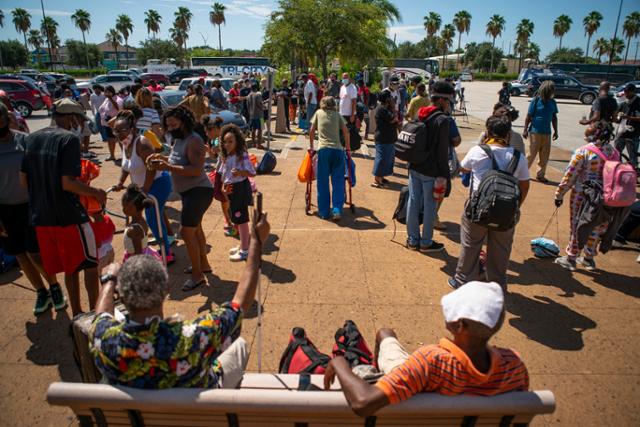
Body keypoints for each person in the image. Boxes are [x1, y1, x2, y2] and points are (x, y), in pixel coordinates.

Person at [89, 208, 270, 389]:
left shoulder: (106, 339)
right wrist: (255, 242)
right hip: (202, 410)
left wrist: (109, 281)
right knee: (239, 345)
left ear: (121, 295)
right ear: (165, 290)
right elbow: (240, 304)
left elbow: (101, 315)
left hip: (136, 415)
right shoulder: (193, 337)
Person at [323, 281, 529, 417]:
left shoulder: (431, 361)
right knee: (386, 336)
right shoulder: (514, 366)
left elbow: (363, 403)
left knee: (385, 334)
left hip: (418, 380)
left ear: (458, 326)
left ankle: (380, 374)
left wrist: (340, 363)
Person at [21, 99, 107, 316]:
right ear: (70, 117)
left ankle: (77, 313)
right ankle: (95, 312)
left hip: (42, 216)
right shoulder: (68, 140)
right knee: (88, 262)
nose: (78, 124)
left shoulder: (31, 138)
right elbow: (68, 182)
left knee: (70, 267)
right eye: (78, 119)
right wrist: (96, 194)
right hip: (69, 215)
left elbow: (24, 181)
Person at [450, 116, 530, 290]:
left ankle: (462, 280)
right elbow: (524, 186)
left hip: (477, 210)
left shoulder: (478, 151)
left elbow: (463, 168)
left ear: (487, 132)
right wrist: (515, 208)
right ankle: (497, 285)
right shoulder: (519, 157)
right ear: (508, 134)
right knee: (501, 251)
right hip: (506, 212)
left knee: (471, 245)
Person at [0, 103, 65, 315]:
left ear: (6, 119)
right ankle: (41, 292)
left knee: (36, 253)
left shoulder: (25, 141)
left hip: (31, 206)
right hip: (5, 210)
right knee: (19, 255)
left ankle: (54, 286)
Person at [147, 106, 214, 291]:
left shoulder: (194, 140)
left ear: (184, 121)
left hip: (199, 191)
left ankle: (198, 275)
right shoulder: (179, 139)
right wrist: (163, 158)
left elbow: (195, 170)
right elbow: (177, 159)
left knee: (186, 232)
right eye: (168, 125)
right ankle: (203, 265)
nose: (171, 128)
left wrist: (167, 167)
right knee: (196, 229)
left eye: (174, 124)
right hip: (187, 192)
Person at [554, 121, 622, 272]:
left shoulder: (584, 152)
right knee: (596, 226)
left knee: (578, 224)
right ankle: (588, 259)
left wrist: (559, 194)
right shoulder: (615, 153)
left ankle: (571, 258)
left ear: (593, 135)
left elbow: (570, 175)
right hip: (606, 197)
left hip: (583, 196)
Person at [112, 110, 175, 263]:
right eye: (116, 131)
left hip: (158, 183)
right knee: (157, 215)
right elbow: (126, 166)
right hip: (144, 186)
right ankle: (167, 237)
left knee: (153, 218)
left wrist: (145, 190)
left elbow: (152, 167)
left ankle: (167, 254)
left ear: (132, 129)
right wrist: (120, 182)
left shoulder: (142, 143)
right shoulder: (124, 143)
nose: (119, 134)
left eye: (123, 130)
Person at [405, 82, 453, 253]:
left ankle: (412, 239)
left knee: (413, 202)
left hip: (415, 165)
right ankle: (425, 242)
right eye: (448, 101)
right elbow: (442, 152)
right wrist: (445, 176)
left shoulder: (421, 112)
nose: (449, 104)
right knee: (430, 205)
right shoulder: (443, 120)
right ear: (441, 100)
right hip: (431, 170)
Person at [219, 125, 257, 261]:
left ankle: (245, 250)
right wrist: (224, 187)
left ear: (237, 141)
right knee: (236, 218)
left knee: (241, 219)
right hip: (231, 189)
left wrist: (240, 172)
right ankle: (243, 244)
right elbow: (225, 174)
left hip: (240, 189)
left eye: (230, 141)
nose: (227, 144)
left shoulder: (241, 155)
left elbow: (252, 172)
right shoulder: (227, 156)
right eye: (225, 141)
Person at [309, 96, 350, 221]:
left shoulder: (318, 113)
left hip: (323, 150)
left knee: (322, 182)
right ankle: (337, 209)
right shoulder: (337, 115)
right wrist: (347, 148)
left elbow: (311, 131)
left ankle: (324, 211)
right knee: (338, 181)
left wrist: (311, 147)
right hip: (337, 150)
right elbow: (346, 131)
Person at [523, 80, 559, 183]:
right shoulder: (536, 101)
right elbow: (528, 117)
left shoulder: (553, 102)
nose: (553, 92)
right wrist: (525, 130)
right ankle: (523, 173)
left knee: (544, 156)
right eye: (552, 90)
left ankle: (540, 175)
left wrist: (556, 131)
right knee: (531, 154)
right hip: (535, 132)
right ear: (547, 90)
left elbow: (554, 117)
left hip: (547, 133)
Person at [120, 184, 162, 261]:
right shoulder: (141, 221)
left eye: (125, 206)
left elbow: (138, 254)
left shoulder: (134, 230)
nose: (123, 209)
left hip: (136, 260)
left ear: (134, 208)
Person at [372, 90, 398, 188]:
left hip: (389, 138)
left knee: (388, 159)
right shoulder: (381, 109)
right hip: (383, 138)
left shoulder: (386, 108)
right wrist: (394, 108)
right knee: (382, 159)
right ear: (387, 99)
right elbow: (393, 119)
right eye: (390, 97)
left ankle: (381, 177)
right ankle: (377, 180)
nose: (392, 99)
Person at [614, 83, 640, 169]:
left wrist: (628, 117)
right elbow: (616, 118)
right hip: (621, 133)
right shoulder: (623, 103)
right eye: (625, 92)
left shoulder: (638, 103)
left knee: (632, 156)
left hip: (633, 134)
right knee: (616, 154)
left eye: (628, 92)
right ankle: (618, 171)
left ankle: (633, 173)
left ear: (633, 92)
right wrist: (618, 116)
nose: (626, 94)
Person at [98, 85, 121, 161]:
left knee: (121, 140)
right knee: (110, 140)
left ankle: (126, 155)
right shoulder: (106, 99)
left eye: (108, 91)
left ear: (112, 91)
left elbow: (118, 108)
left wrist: (111, 98)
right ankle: (112, 155)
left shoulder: (118, 99)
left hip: (115, 123)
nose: (106, 93)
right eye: (105, 91)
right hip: (106, 123)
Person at [247, 84, 264, 148]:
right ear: (256, 88)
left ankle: (253, 143)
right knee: (260, 130)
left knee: (253, 130)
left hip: (251, 115)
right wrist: (263, 107)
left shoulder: (248, 96)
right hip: (259, 115)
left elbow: (248, 106)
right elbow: (259, 104)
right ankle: (259, 145)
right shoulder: (258, 95)